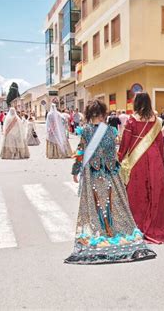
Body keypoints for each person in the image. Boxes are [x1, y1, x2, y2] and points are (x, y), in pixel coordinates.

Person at [66, 99, 156, 264]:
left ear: (89, 114)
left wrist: (75, 170)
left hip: (92, 172)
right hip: (110, 172)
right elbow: (114, 152)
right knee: (114, 202)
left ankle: (100, 229)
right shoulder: (110, 131)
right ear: (102, 113)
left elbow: (81, 151)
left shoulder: (85, 130)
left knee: (95, 203)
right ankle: (114, 230)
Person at [118, 93, 164, 244]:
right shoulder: (156, 120)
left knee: (137, 191)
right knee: (155, 190)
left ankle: (137, 223)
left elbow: (125, 142)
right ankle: (156, 222)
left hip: (137, 159)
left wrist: (120, 158)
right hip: (154, 158)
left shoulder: (132, 120)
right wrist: (162, 165)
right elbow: (160, 143)